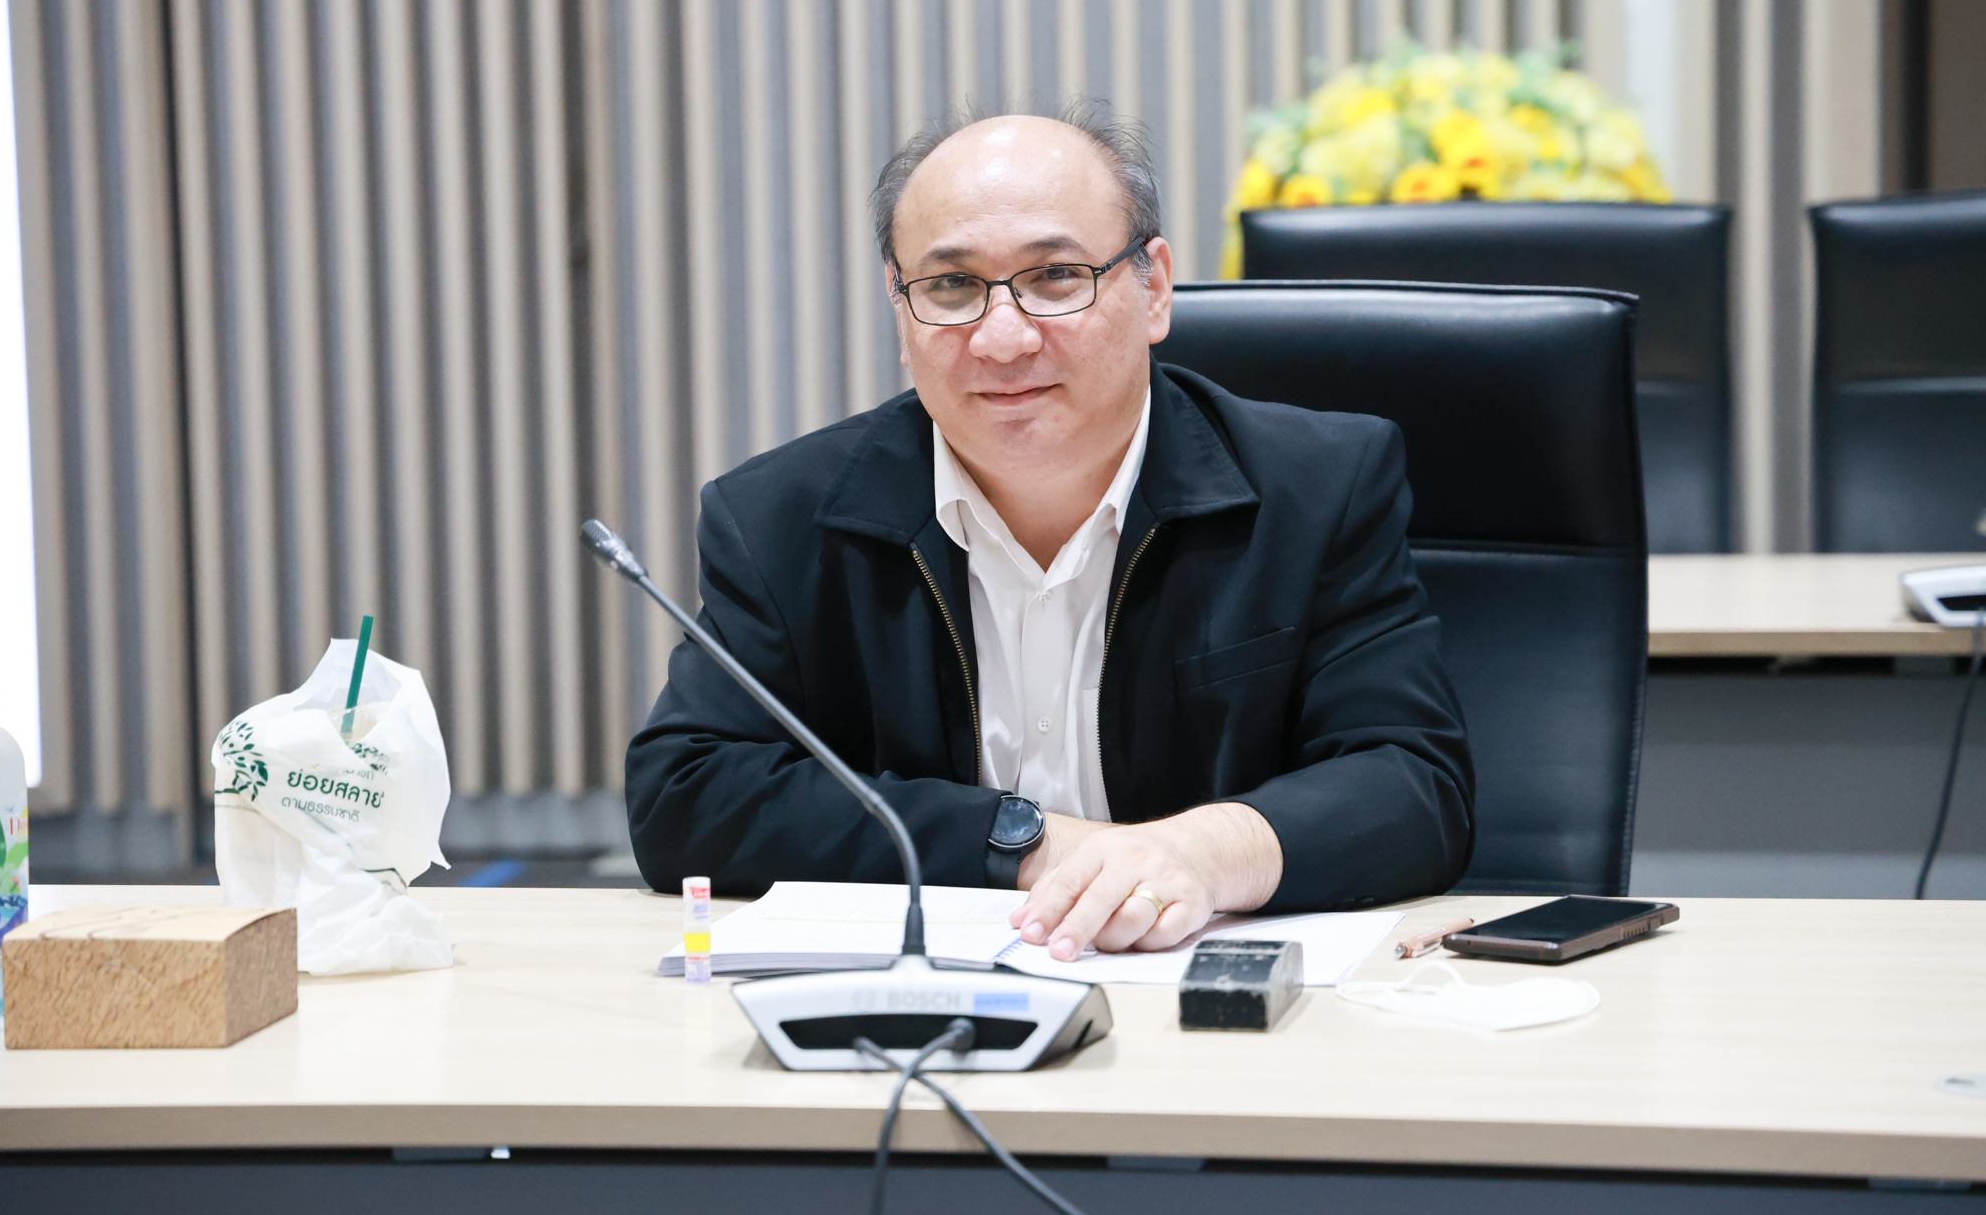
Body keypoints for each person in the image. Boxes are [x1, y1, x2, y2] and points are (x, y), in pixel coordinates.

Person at [627, 103, 1473, 963]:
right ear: (901, 309)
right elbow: (686, 795)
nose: (1002, 338)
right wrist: (1024, 842)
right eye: (950, 287)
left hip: (1212, 996)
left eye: (1057, 276)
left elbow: (1414, 784)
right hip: (932, 1005)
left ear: (1154, 288)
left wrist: (1198, 852)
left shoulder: (1318, 487)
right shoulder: (780, 520)